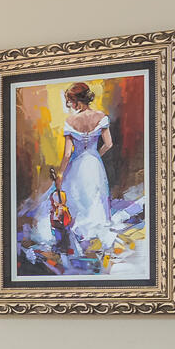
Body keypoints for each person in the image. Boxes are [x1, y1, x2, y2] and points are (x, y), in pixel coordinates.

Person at [51, 80, 115, 251]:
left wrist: (60, 174)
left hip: (77, 164)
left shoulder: (71, 121)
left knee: (77, 197)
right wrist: (95, 155)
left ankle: (79, 238)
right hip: (94, 163)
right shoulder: (101, 117)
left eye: (70, 101)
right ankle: (95, 238)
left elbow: (67, 154)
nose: (70, 105)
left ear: (76, 101)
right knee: (95, 196)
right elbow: (109, 144)